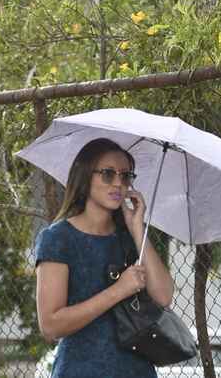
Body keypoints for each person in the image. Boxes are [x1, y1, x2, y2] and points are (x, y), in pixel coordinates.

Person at [34, 138, 175, 378]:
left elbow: (163, 296)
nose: (119, 183)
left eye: (126, 176)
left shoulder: (130, 238)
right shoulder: (58, 238)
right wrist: (119, 290)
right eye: (108, 174)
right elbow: (50, 325)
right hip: (81, 369)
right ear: (86, 176)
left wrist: (137, 228)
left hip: (136, 370)